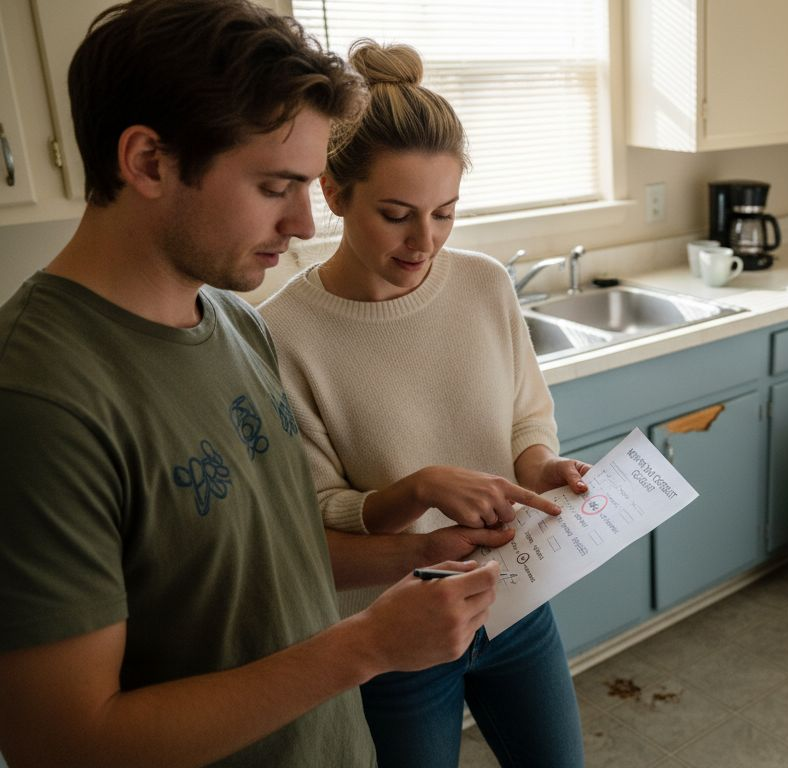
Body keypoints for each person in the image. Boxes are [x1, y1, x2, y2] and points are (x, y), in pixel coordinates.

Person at [0, 3, 515, 766]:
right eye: (277, 187)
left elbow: (273, 555)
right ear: (148, 162)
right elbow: (65, 743)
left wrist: (422, 553)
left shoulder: (235, 326)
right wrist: (364, 648)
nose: (307, 224)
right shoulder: (39, 399)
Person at [258, 40, 587, 768]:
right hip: (394, 628)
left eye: (445, 213)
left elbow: (526, 414)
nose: (425, 241)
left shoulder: (483, 284)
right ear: (335, 195)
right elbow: (319, 508)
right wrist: (414, 490)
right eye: (399, 213)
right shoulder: (283, 333)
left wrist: (540, 464)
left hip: (514, 600)